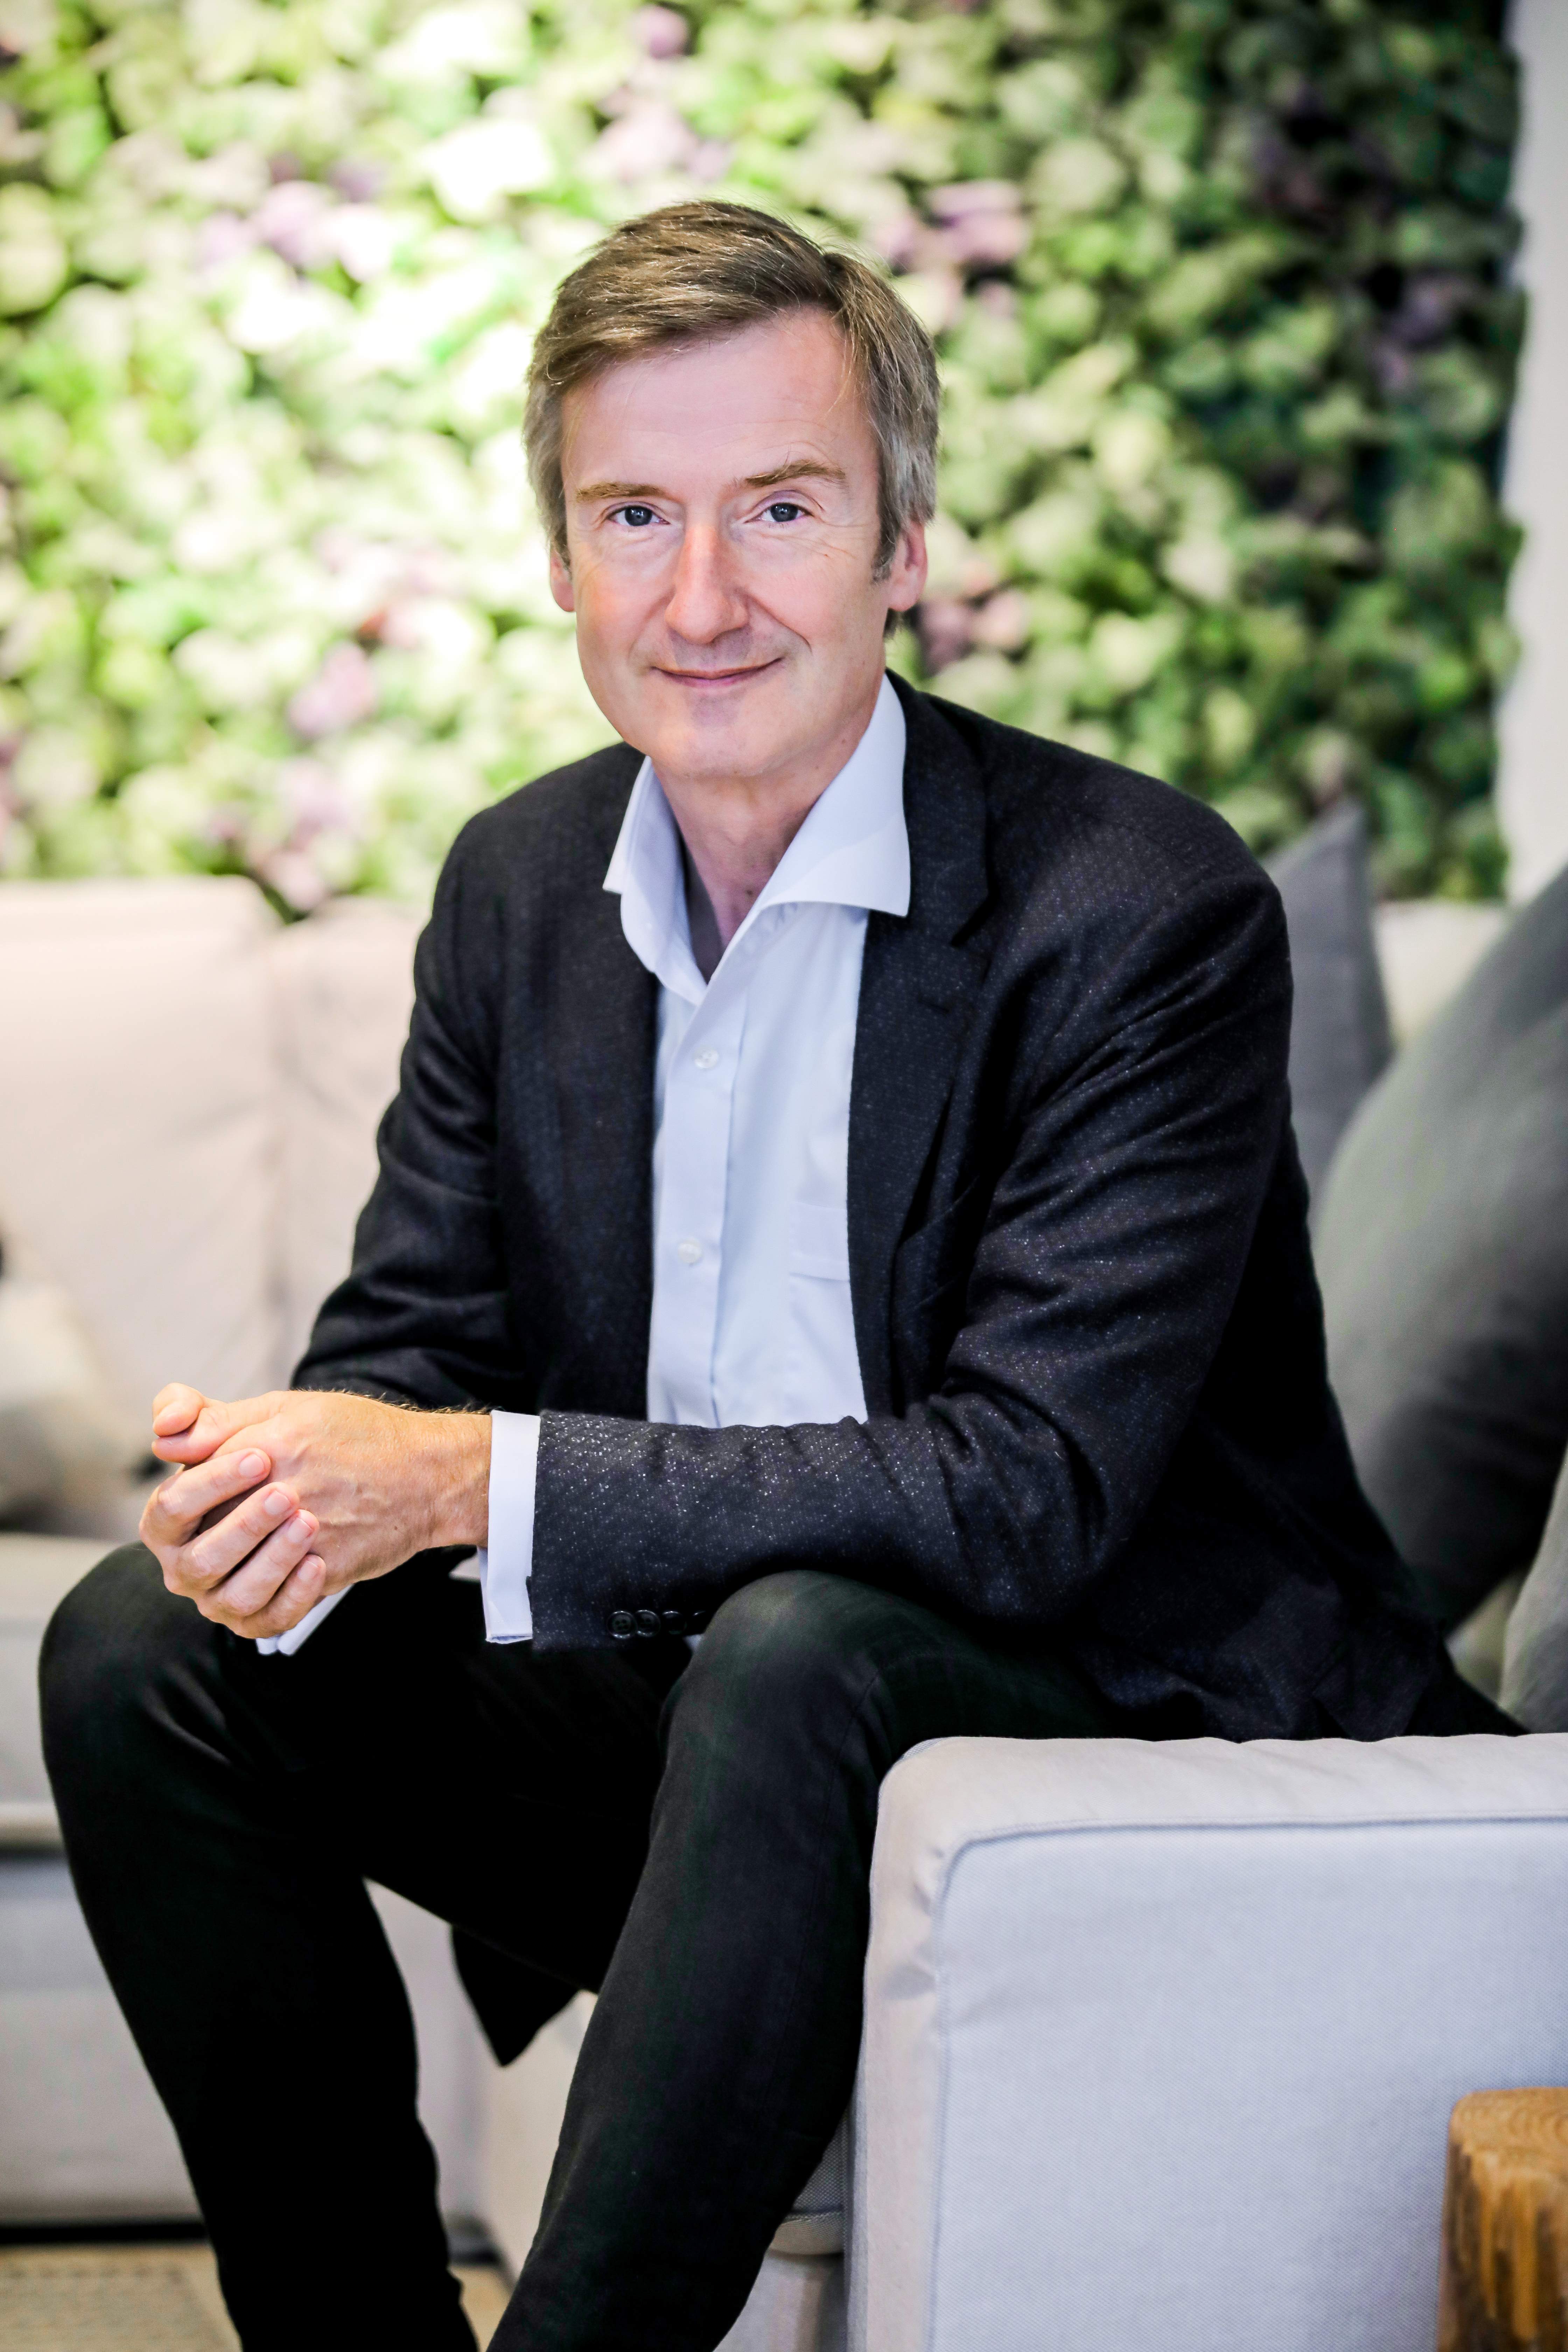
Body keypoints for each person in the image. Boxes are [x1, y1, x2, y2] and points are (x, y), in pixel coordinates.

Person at [40, 201, 1512, 2352]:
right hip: (710, 1746)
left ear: (903, 545)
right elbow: (415, 1351)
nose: (702, 597)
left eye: (783, 510)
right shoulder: (522, 883)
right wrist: (283, 1486)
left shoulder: (1137, 907)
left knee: (806, 1641)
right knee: (140, 1648)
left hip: (1110, 1705)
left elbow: (1027, 1494)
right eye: (634, 515)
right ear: (561, 560)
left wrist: (464, 1479)